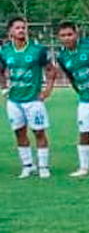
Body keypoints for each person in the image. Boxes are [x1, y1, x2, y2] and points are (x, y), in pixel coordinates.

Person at [1, 17, 55, 178]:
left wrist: (47, 90)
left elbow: (51, 70)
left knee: (39, 132)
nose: (21, 30)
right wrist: (4, 87)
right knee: (19, 133)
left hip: (33, 100)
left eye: (23, 27)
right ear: (10, 31)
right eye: (17, 28)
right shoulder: (4, 51)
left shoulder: (37, 50)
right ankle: (27, 165)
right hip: (14, 101)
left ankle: (43, 167)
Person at [55, 22, 89, 177]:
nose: (67, 38)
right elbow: (71, 77)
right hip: (85, 98)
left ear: (76, 34)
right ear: (59, 37)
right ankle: (83, 168)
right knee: (84, 132)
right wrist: (79, 91)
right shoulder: (62, 56)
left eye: (69, 34)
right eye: (63, 35)